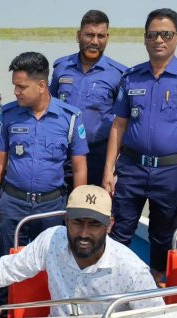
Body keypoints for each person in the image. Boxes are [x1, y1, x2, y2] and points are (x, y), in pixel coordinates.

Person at [0, 185, 163, 316]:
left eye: (94, 225)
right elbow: (5, 270)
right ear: (66, 219)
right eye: (77, 222)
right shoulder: (51, 241)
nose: (84, 234)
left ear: (109, 226)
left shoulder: (132, 270)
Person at [102, 8, 177, 280]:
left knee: (163, 233)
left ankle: (157, 282)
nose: (159, 40)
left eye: (166, 34)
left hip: (170, 172)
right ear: (145, 38)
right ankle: (115, 281)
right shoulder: (131, 77)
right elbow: (119, 125)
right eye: (153, 34)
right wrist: (108, 171)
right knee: (121, 229)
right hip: (131, 168)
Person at [0, 52, 88, 256]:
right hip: (13, 204)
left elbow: (79, 168)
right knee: (9, 261)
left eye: (21, 87)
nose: (15, 92)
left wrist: (76, 208)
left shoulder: (70, 118)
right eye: (15, 85)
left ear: (41, 86)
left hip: (51, 207)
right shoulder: (8, 115)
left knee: (51, 261)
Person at [50, 10, 127, 187]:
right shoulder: (61, 68)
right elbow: (49, 105)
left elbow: (123, 122)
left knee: (90, 211)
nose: (94, 41)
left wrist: (113, 162)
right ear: (79, 36)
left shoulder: (119, 74)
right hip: (61, 153)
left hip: (97, 156)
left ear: (107, 38)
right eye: (89, 35)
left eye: (100, 36)